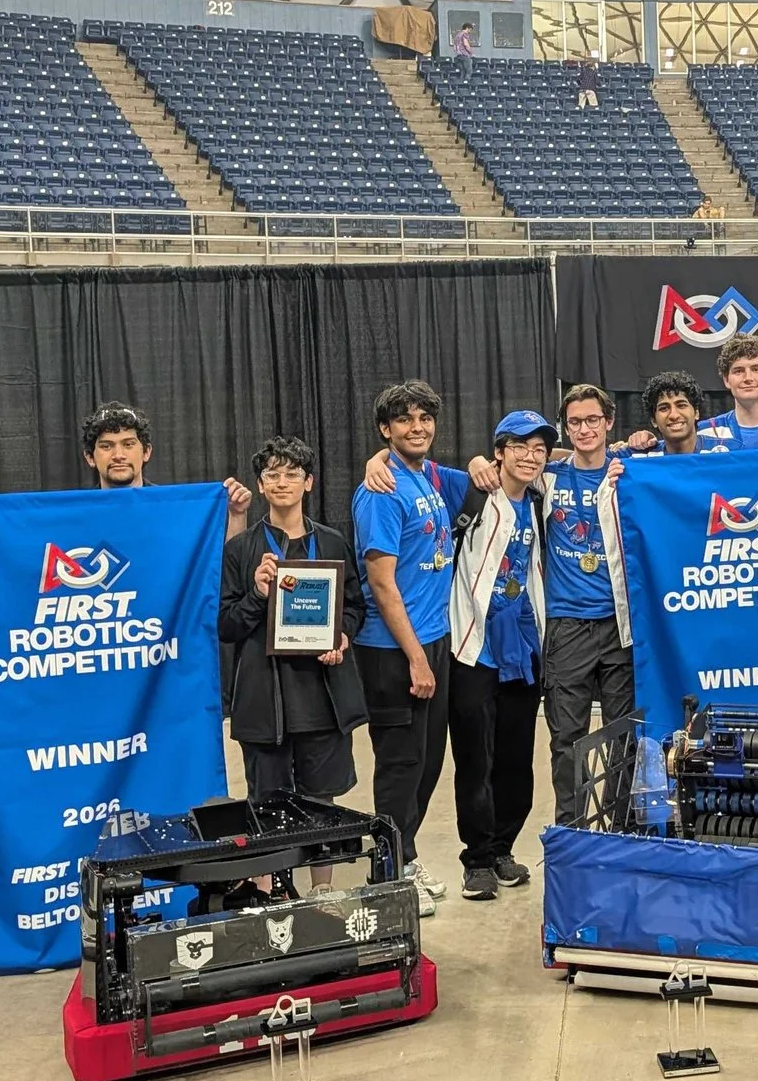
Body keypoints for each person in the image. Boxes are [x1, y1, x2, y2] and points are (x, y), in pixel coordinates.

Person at [352, 380, 471, 915]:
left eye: (425, 418)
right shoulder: (380, 490)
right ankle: (388, 875)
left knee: (427, 762)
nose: (416, 426)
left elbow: (513, 467)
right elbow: (381, 583)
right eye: (404, 420)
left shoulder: (426, 476)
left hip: (433, 638)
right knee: (400, 764)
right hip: (393, 650)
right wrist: (417, 659)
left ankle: (406, 853)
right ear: (386, 429)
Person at [219, 433, 366, 819]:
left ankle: (323, 884)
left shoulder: (333, 543)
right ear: (261, 485)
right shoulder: (240, 550)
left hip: (323, 699)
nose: (282, 482)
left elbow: (355, 606)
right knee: (266, 810)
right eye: (272, 475)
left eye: (292, 473)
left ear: (309, 482)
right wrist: (257, 594)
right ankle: (269, 883)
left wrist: (341, 635)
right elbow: (226, 627)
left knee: (322, 806)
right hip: (264, 704)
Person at [445, 412, 554, 900]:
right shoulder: (467, 489)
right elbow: (411, 465)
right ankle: (478, 858)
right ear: (499, 451)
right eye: (520, 447)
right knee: (475, 758)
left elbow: (586, 458)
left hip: (523, 650)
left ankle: (504, 846)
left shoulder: (540, 497)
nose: (530, 457)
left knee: (516, 758)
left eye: (539, 449)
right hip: (473, 648)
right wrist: (375, 458)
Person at [540, 385, 634, 826]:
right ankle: (572, 828)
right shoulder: (548, 475)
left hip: (620, 624)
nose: (584, 429)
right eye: (574, 422)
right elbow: (491, 467)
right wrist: (379, 458)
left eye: (592, 420)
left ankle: (620, 825)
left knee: (624, 733)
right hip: (567, 625)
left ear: (609, 422)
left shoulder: (631, 472)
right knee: (568, 736)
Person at [80, 400, 251, 540]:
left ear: (146, 452)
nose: (118, 455)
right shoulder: (76, 516)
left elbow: (221, 567)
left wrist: (237, 515)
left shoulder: (175, 511)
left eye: (128, 444)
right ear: (90, 457)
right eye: (106, 446)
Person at [697, 335, 758, 450]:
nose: (748, 378)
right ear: (726, 380)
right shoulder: (706, 431)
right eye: (739, 371)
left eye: (756, 369)